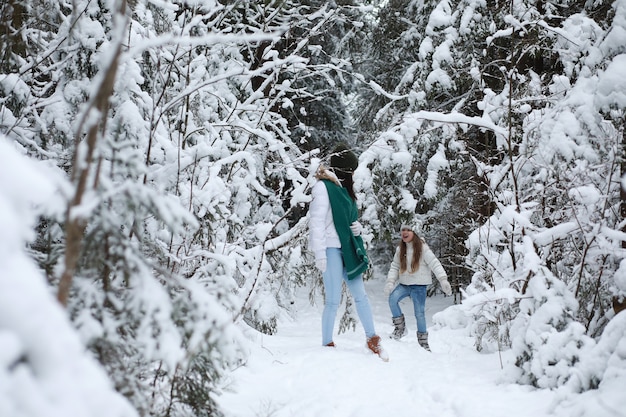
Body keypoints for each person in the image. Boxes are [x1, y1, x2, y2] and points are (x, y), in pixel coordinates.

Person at [309, 143, 388, 361]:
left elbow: (349, 218)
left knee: (360, 296)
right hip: (331, 249)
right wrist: (320, 254)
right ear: (343, 168)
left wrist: (357, 228)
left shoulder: (344, 190)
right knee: (333, 299)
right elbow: (316, 223)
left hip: (348, 248)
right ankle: (327, 342)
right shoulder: (323, 188)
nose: (353, 173)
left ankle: (372, 339)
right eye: (351, 169)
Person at [384, 221, 452, 351]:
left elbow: (434, 263)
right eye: (403, 230)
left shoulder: (422, 248)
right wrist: (390, 282)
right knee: (392, 299)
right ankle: (400, 329)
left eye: (408, 230)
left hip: (419, 287)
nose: (404, 232)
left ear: (414, 233)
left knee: (419, 313)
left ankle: (423, 342)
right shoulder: (400, 249)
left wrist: (443, 280)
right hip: (404, 285)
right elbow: (395, 266)